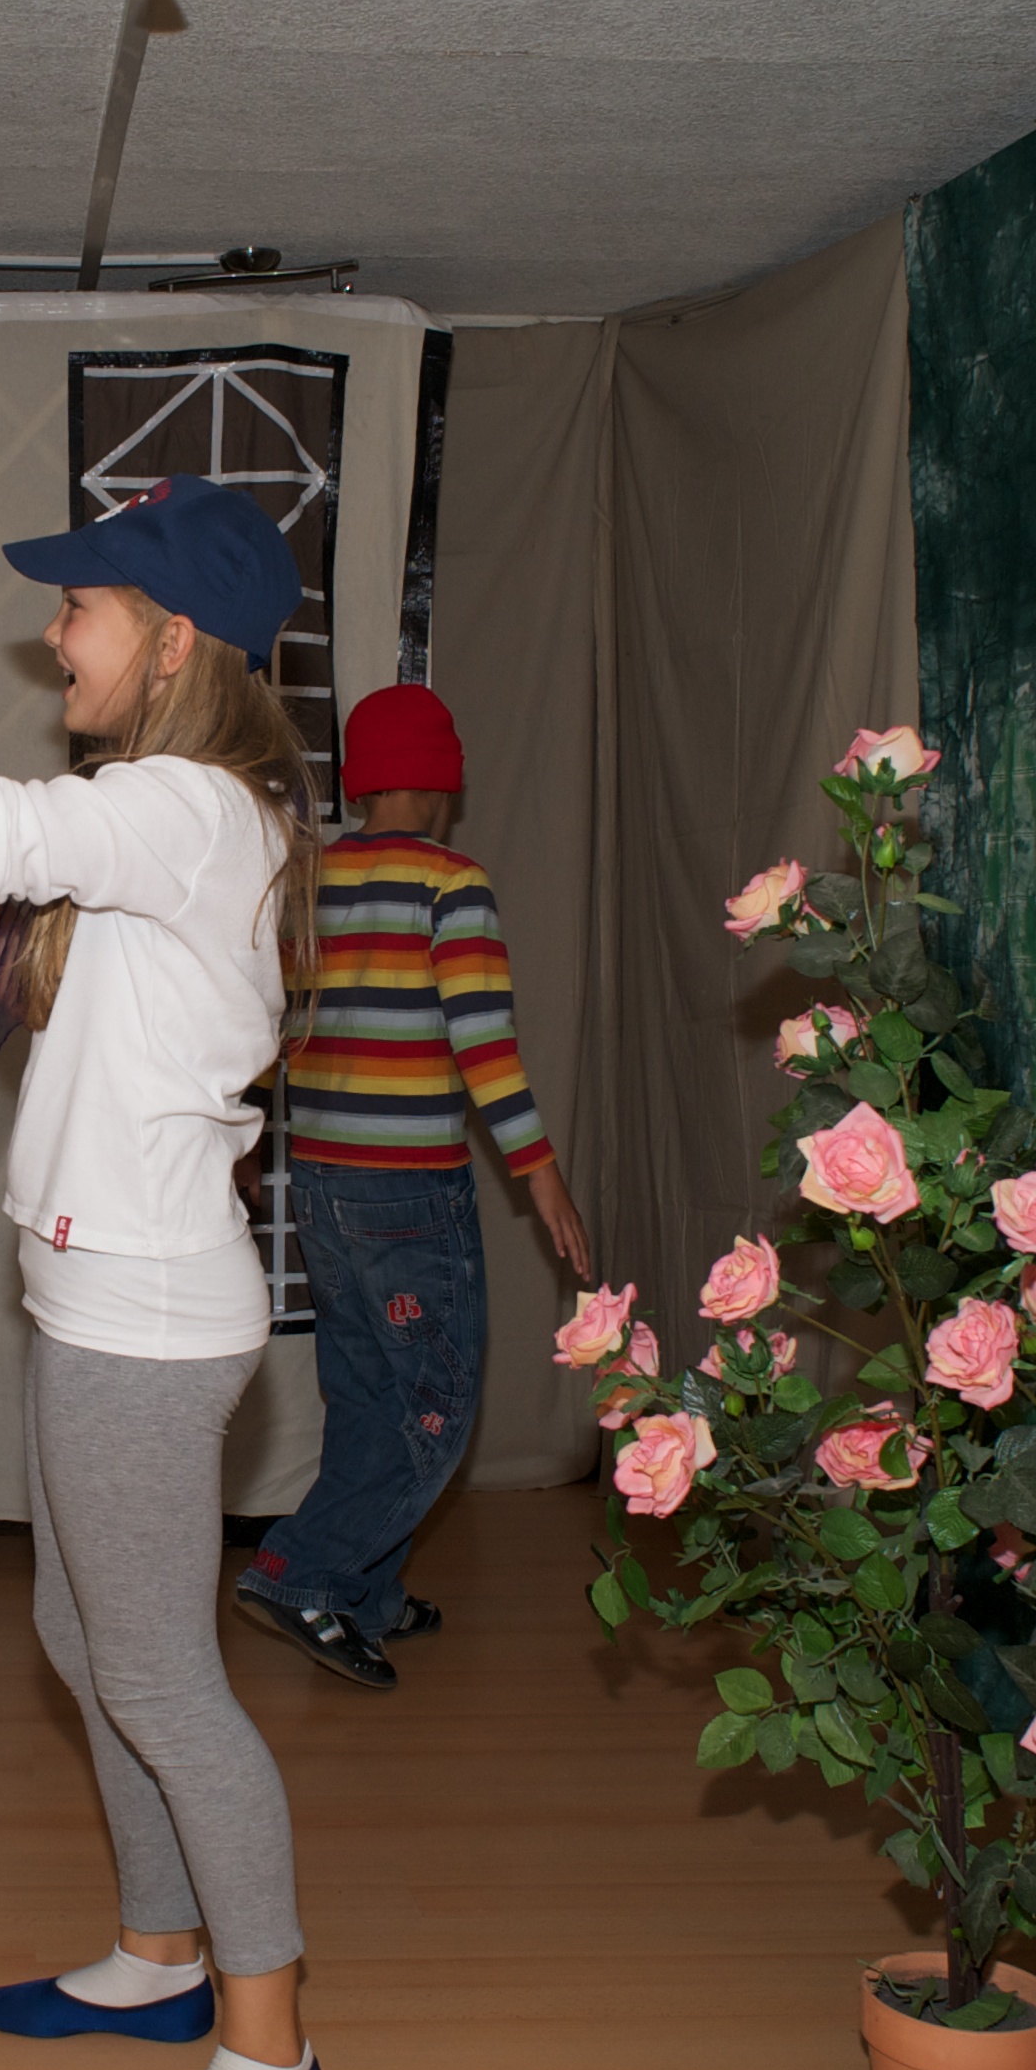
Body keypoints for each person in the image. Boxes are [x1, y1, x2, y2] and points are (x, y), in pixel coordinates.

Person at [0, 467, 334, 2070]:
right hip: (91, 1294)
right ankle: (159, 1947)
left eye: (81, 610)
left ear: (175, 635)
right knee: (80, 1629)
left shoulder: (193, 801)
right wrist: (0, 944)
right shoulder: (171, 812)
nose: (56, 639)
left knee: (162, 1678)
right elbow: (56, 1000)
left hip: (144, 1315)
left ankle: (269, 2050)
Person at [235, 681, 595, 1688]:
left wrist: (236, 1144)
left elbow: (273, 1036)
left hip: (324, 1184)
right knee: (433, 1408)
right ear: (444, 784)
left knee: (363, 1390)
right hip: (408, 1194)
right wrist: (543, 1180)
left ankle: (366, 1593)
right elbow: (484, 1048)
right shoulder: (452, 883)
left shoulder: (304, 882)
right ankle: (298, 1569)